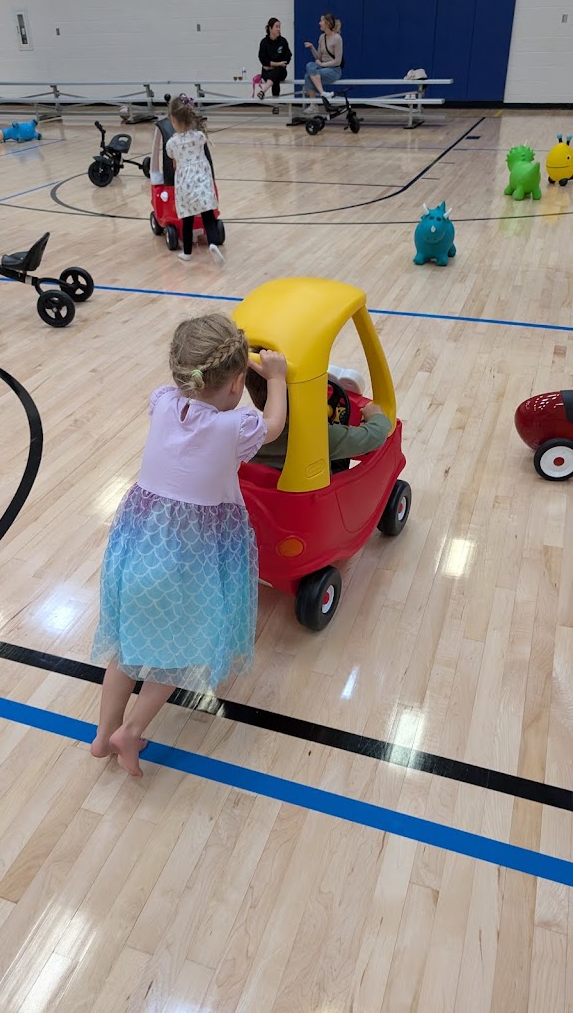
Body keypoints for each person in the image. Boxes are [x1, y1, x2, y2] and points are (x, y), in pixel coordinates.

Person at [90, 315, 287, 777]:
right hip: (186, 559)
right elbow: (273, 425)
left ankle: (102, 736)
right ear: (239, 382)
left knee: (127, 647)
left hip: (139, 547)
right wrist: (276, 378)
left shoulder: (162, 401)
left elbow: (190, 400)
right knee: (176, 651)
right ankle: (130, 732)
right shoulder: (237, 425)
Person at [245, 360, 391, 471]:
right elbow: (374, 437)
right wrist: (377, 417)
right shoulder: (322, 437)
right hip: (315, 499)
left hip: (268, 494)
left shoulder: (246, 432)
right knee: (341, 456)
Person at [165, 94, 224, 264]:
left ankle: (188, 252)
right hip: (202, 181)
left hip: (185, 185)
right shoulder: (199, 136)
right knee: (208, 216)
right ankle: (213, 243)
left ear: (172, 119)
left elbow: (172, 160)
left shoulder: (172, 143)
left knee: (188, 218)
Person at [303, 13, 344, 115]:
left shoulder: (337, 38)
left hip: (334, 70)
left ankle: (314, 104)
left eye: (321, 21)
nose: (319, 23)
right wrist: (312, 47)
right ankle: (322, 94)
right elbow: (318, 57)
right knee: (309, 65)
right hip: (322, 67)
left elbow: (337, 61)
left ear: (327, 23)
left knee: (308, 76)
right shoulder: (322, 37)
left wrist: (322, 65)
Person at [258, 18, 292, 115]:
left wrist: (273, 65)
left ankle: (263, 91)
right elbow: (262, 59)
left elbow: (287, 58)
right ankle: (276, 105)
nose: (278, 29)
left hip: (280, 71)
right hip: (267, 72)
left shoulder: (283, 41)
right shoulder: (264, 42)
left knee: (277, 72)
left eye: (279, 27)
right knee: (274, 77)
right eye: (276, 27)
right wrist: (277, 64)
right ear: (270, 28)